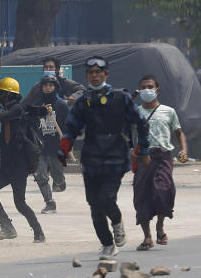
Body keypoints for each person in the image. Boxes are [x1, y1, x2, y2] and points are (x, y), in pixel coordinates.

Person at [59, 56, 150, 259]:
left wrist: (143, 150)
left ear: (106, 74)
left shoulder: (122, 98)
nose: (94, 76)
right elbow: (72, 127)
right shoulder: (83, 101)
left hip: (115, 158)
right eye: (90, 73)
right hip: (92, 160)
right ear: (87, 76)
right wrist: (64, 147)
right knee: (94, 205)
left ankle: (117, 223)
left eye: (98, 72)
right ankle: (108, 245)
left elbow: (141, 123)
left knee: (106, 199)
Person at [0, 77, 46, 243]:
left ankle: (38, 232)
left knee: (20, 203)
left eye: (1, 94)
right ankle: (7, 225)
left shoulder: (17, 110)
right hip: (6, 166)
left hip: (19, 167)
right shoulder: (7, 118)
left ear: (7, 95)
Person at [132, 74, 189, 250]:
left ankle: (160, 225)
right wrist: (129, 151)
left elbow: (178, 132)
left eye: (150, 86)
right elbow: (124, 132)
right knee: (141, 195)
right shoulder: (135, 113)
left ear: (157, 89)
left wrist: (184, 149)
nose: (146, 90)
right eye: (143, 87)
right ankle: (147, 236)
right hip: (143, 157)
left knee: (163, 191)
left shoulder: (169, 111)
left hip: (163, 156)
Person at [34, 74, 69, 213]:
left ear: (55, 87)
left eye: (50, 85)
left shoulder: (62, 105)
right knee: (40, 174)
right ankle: (50, 203)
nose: (47, 88)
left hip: (57, 146)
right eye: (45, 85)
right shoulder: (37, 104)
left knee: (57, 175)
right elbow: (32, 123)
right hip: (41, 145)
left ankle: (60, 181)